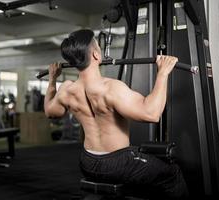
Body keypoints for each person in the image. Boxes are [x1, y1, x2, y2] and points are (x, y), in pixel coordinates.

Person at [44, 29, 188, 199]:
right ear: (96, 55)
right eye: (98, 45)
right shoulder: (111, 88)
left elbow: (50, 112)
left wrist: (52, 79)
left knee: (144, 163)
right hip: (118, 163)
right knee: (172, 174)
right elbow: (152, 114)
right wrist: (163, 73)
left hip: (87, 161)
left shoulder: (66, 90)